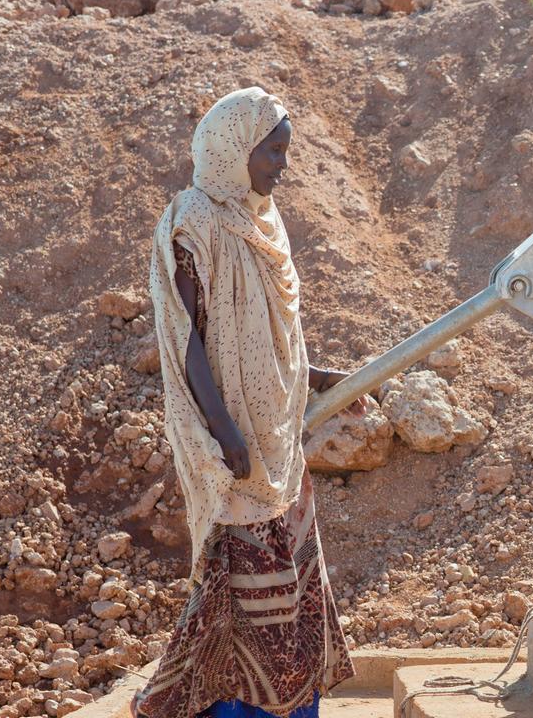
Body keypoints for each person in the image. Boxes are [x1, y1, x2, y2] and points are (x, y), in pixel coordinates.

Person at [134, 87, 361, 718]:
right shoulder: (193, 222)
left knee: (290, 587)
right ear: (236, 149)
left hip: (279, 447)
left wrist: (321, 379)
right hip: (235, 450)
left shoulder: (264, 222)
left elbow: (270, 341)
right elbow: (188, 341)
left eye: (285, 150)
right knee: (243, 593)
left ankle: (285, 707)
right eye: (274, 150)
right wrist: (224, 430)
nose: (282, 165)